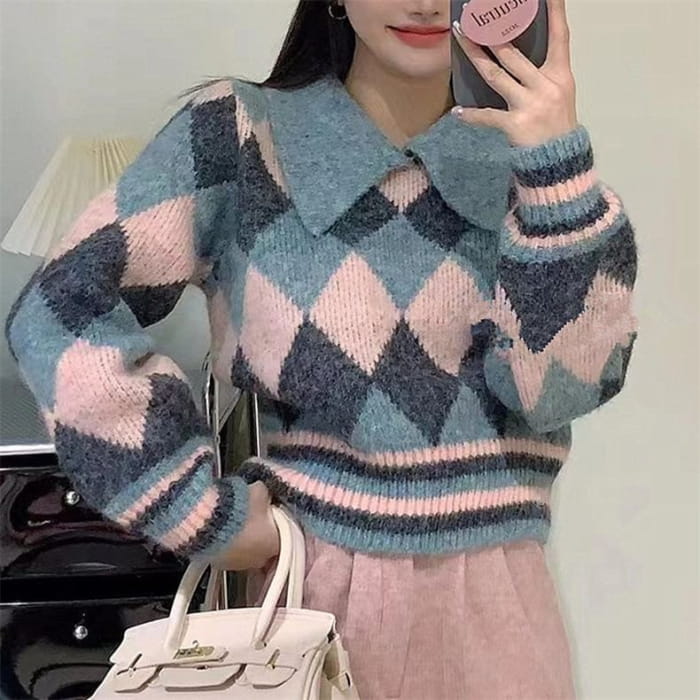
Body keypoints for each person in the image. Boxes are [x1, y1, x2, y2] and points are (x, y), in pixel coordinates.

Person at [4, 0, 639, 697]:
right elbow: (56, 310)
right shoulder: (243, 135)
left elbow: (557, 394)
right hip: (309, 602)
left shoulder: (535, 167)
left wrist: (556, 174)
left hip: (501, 618)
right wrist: (193, 510)